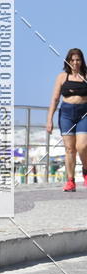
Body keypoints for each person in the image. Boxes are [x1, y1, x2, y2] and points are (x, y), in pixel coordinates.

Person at [46, 48, 87, 192]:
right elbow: (55, 99)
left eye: (78, 60)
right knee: (70, 149)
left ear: (82, 61)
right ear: (68, 62)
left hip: (84, 114)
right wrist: (49, 119)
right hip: (67, 114)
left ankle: (86, 170)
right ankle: (71, 181)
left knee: (82, 146)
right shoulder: (62, 77)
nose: (75, 63)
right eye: (72, 60)